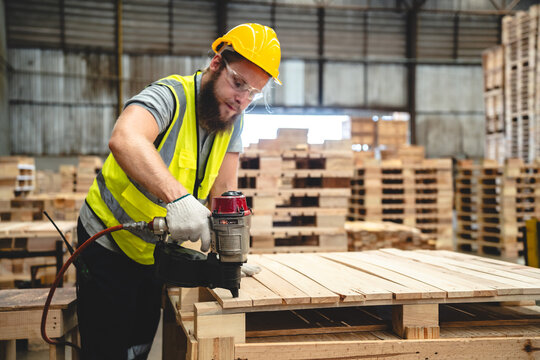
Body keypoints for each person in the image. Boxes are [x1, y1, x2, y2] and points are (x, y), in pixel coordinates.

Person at [75, 23, 281, 359]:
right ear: (216, 64)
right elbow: (125, 138)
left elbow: (224, 189)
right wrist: (180, 198)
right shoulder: (170, 95)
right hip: (106, 241)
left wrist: (229, 250)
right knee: (107, 350)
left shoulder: (233, 119)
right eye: (238, 83)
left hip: (153, 250)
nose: (241, 100)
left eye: (253, 93)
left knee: (139, 344)